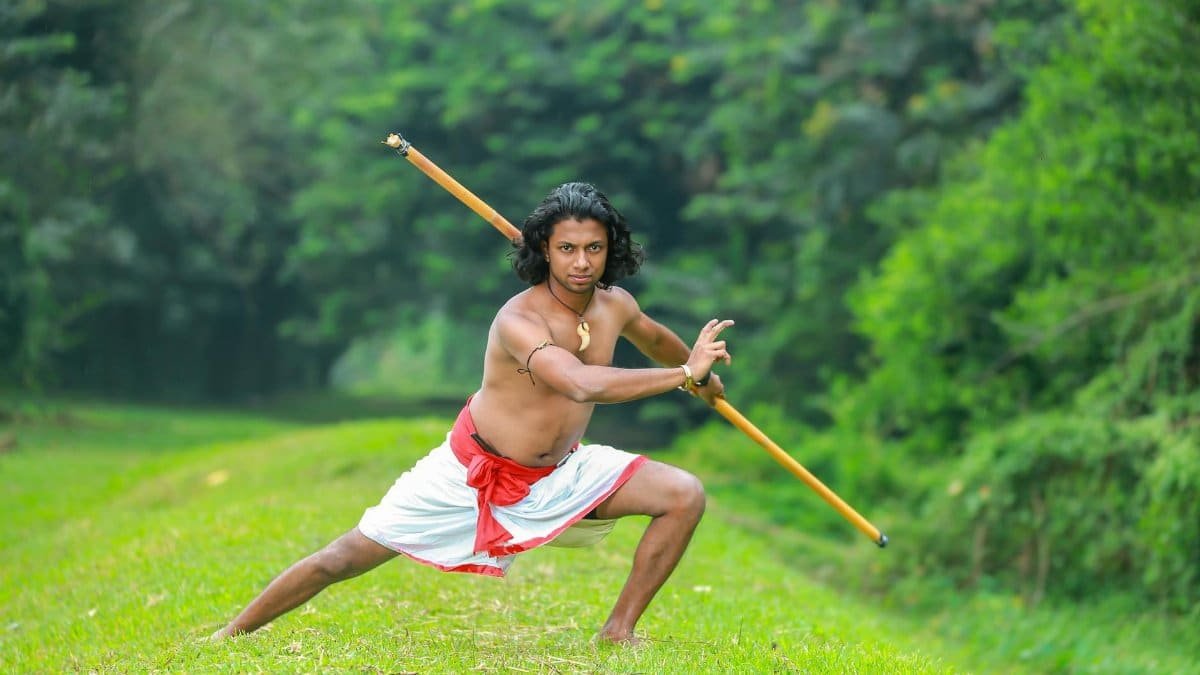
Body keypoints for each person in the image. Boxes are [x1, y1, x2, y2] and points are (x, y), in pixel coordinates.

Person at [211, 182, 733, 645]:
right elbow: (578, 384)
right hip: (470, 473)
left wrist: (700, 376)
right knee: (342, 558)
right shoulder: (518, 319)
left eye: (594, 249)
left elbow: (657, 340)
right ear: (545, 252)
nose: (581, 263)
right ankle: (225, 637)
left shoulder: (615, 304)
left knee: (683, 494)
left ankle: (618, 632)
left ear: (609, 249)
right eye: (567, 249)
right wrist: (683, 375)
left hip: (560, 472)